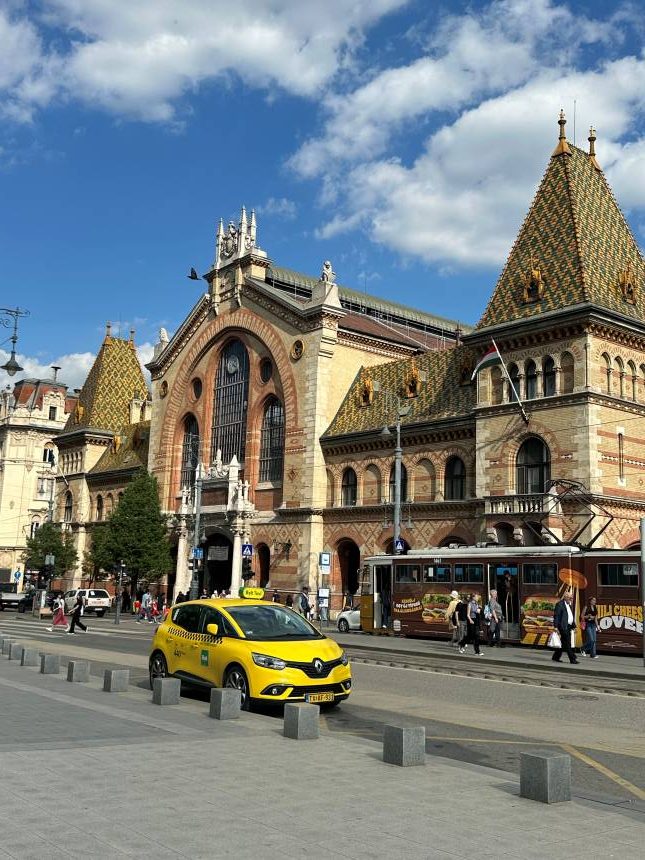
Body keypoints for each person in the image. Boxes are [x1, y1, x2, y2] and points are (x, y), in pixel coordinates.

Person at [552, 588, 579, 664]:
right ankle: (572, 659)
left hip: (568, 626)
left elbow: (570, 616)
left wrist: (574, 626)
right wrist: (555, 627)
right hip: (563, 626)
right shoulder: (560, 604)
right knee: (567, 643)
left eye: (571, 598)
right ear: (565, 597)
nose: (571, 599)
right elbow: (556, 616)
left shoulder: (568, 605)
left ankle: (556, 657)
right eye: (570, 598)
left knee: (563, 643)